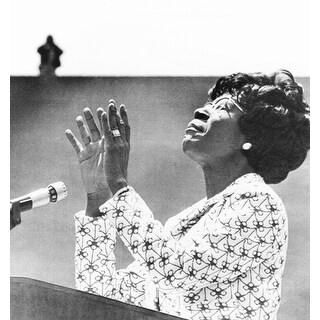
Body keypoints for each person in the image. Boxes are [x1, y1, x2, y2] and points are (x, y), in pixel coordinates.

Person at [66, 70, 309, 320]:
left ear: (252, 137)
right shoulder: (182, 227)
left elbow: (177, 271)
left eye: (223, 107)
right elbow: (99, 298)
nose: (201, 111)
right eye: (207, 105)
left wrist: (119, 182)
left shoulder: (261, 204)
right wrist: (99, 195)